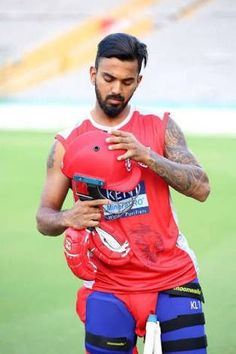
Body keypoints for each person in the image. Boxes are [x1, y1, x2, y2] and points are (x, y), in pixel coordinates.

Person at [36, 32, 210, 354]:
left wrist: (148, 156)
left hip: (173, 277)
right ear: (93, 74)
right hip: (107, 285)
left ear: (138, 81)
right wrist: (67, 217)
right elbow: (44, 218)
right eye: (108, 78)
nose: (116, 89)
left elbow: (202, 187)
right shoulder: (67, 143)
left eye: (127, 81)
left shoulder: (160, 127)